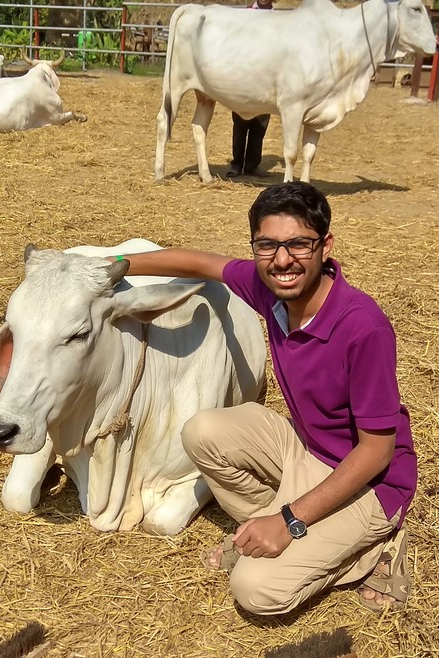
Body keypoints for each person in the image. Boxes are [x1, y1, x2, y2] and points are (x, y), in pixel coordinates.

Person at [109, 182, 416, 616]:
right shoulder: (270, 287)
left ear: (325, 245)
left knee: (256, 591)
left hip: (372, 482)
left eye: (299, 245)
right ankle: (276, 528)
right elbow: (197, 262)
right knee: (202, 431)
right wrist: (112, 263)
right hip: (309, 450)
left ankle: (375, 546)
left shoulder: (363, 327)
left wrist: (290, 521)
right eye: (267, 245)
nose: (283, 259)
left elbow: (376, 451)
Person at [227, 0, 274, 179]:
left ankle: (252, 164)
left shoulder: (277, 18)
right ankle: (237, 163)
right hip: (245, 77)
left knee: (260, 125)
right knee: (240, 123)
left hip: (266, 79)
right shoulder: (244, 15)